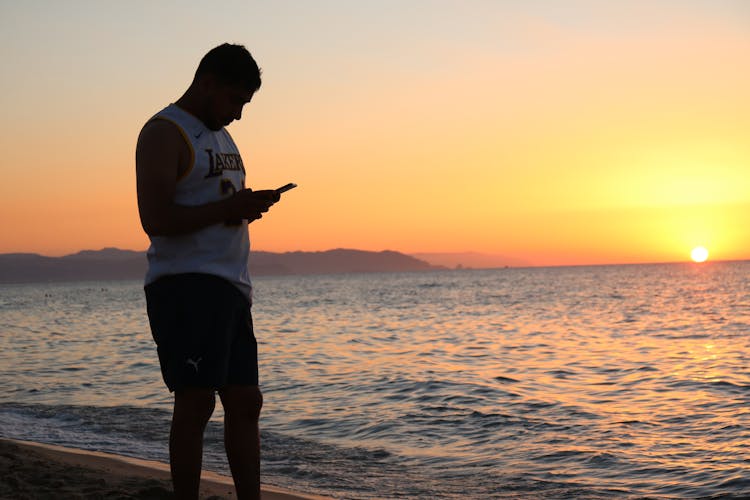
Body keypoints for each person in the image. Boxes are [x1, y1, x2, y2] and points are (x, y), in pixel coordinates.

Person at [136, 43, 278, 500]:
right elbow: (155, 219)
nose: (238, 114)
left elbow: (213, 205)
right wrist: (228, 207)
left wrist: (243, 208)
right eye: (236, 100)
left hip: (231, 287)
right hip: (186, 286)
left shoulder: (222, 137)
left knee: (245, 401)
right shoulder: (164, 132)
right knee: (196, 402)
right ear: (209, 82)